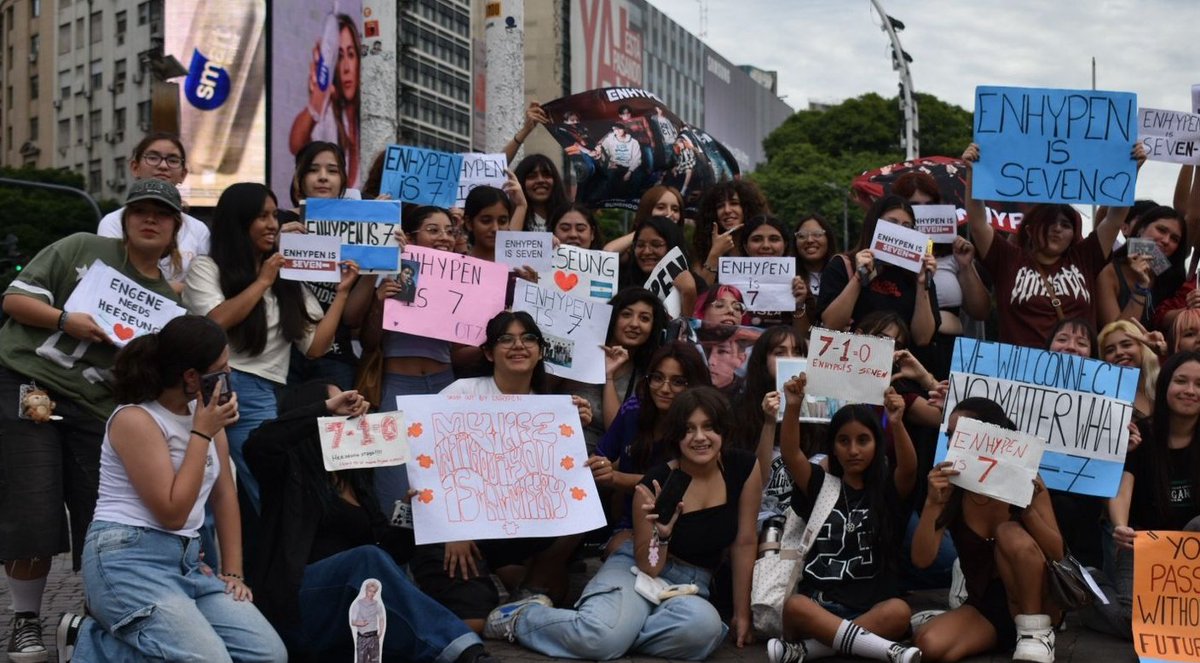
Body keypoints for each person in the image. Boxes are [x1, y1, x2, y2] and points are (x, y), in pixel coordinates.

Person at [1, 178, 183, 661]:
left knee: (101, 517)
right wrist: (64, 319)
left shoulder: (169, 305)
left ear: (175, 229)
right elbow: (12, 301)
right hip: (28, 382)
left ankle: (95, 617)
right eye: (140, 210)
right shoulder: (82, 248)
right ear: (124, 219)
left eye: (161, 214)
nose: (150, 219)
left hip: (98, 411)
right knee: (32, 508)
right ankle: (25, 619)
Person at [60, 315, 287, 662]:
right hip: (126, 556)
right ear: (192, 377)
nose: (229, 378)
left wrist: (233, 572)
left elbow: (225, 494)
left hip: (185, 561)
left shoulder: (206, 415)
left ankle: (115, 640)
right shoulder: (135, 419)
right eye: (221, 371)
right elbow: (172, 512)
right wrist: (201, 433)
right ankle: (91, 643)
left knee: (267, 654)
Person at [486, 387, 762, 660]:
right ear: (677, 436)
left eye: (709, 427)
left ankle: (616, 633)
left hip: (690, 586)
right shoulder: (656, 482)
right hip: (638, 571)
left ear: (723, 431)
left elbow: (745, 541)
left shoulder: (743, 467)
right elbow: (649, 565)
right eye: (689, 430)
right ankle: (522, 618)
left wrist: (742, 614)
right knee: (600, 637)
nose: (700, 438)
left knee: (705, 631)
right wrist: (661, 536)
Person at [244, 380, 499, 663]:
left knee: (373, 566)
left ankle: (454, 649)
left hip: (352, 611)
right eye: (341, 405)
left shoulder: (355, 478)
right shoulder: (286, 470)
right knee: (365, 559)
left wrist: (407, 512)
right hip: (299, 602)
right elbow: (258, 442)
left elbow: (391, 554)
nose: (351, 410)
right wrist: (324, 407)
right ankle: (464, 651)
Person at [182, 182, 358, 519]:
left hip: (270, 390)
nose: (272, 224)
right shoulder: (209, 268)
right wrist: (262, 281)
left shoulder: (285, 274)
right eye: (262, 216)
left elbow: (315, 347)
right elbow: (213, 325)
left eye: (274, 215)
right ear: (238, 222)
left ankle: (264, 564)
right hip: (230, 385)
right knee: (266, 490)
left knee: (266, 490)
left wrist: (343, 293)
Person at [407, 312, 593, 630]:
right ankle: (511, 591)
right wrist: (453, 531)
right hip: (462, 526)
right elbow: (425, 462)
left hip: (520, 529)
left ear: (541, 350)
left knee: (591, 492)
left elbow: (562, 484)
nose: (518, 345)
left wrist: (576, 431)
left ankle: (525, 589)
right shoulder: (461, 393)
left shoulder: (551, 409)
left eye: (528, 338)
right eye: (506, 339)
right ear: (489, 353)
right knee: (474, 623)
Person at [767, 376, 920, 663]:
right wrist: (792, 406)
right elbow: (791, 453)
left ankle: (811, 651)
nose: (853, 450)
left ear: (877, 442)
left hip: (872, 610)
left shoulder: (886, 491)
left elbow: (910, 470)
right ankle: (883, 649)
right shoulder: (820, 484)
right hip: (819, 607)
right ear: (833, 446)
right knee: (795, 606)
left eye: (863, 440)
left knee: (899, 611)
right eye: (843, 441)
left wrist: (897, 423)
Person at [912, 398, 1067, 663]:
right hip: (984, 608)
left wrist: (1027, 510)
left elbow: (1057, 553)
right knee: (929, 646)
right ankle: (958, 622)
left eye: (961, 436)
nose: (951, 444)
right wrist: (932, 503)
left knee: (1008, 531)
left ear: (990, 437)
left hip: (1039, 604)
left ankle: (1035, 633)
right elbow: (922, 559)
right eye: (950, 436)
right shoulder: (951, 488)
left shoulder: (1027, 479)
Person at [962, 142, 1141, 348]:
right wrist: (972, 172)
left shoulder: (1085, 258)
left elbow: (1114, 218)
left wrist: (1131, 170)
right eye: (1048, 223)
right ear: (1029, 230)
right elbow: (977, 222)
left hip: (1075, 371)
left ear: (1074, 233)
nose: (1057, 229)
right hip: (1018, 373)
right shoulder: (1008, 259)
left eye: (1065, 225)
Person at [1084, 351, 1200, 641]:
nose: (1190, 390)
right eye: (1181, 381)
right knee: (1138, 622)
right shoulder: (1141, 435)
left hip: (1192, 555)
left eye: (1199, 384)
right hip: (1143, 547)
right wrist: (1121, 525)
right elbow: (1123, 485)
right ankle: (1089, 586)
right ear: (1164, 388)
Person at [361, 205, 459, 518]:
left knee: (446, 473)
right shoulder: (391, 272)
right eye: (433, 230)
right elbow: (369, 342)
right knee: (395, 481)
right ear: (411, 235)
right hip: (396, 388)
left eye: (448, 230)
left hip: (444, 384)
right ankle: (398, 558)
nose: (443, 237)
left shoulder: (462, 276)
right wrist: (379, 302)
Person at [591, 341, 713, 556]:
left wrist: (615, 478)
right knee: (616, 550)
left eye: (678, 382)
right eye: (657, 378)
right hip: (632, 524)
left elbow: (672, 486)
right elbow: (601, 455)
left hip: (686, 526)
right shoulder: (633, 409)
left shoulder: (702, 427)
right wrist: (598, 465)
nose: (664, 389)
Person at [282, 141, 376, 391]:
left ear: (343, 179)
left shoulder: (361, 230)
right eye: (314, 170)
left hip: (335, 357)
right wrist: (277, 245)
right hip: (283, 354)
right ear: (299, 177)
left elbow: (351, 318)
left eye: (332, 171)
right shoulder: (280, 223)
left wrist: (378, 258)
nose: (323, 178)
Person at [817, 195, 940, 348]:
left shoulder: (918, 274)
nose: (899, 231)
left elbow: (923, 338)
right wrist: (858, 277)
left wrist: (923, 284)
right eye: (892, 223)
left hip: (900, 366)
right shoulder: (843, 265)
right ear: (874, 224)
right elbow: (831, 325)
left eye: (906, 226)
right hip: (851, 363)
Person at [96, 133, 211, 292]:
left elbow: (204, 287)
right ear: (135, 167)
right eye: (153, 157)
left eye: (172, 160)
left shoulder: (198, 229)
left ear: (183, 174)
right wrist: (180, 289)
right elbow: (114, 280)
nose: (163, 166)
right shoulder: (113, 222)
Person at [290, 13, 362, 187]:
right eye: (339, 57)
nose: (346, 67)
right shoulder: (327, 114)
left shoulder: (369, 120)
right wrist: (316, 103)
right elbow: (297, 143)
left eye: (351, 55)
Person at [1097, 206, 1187, 328]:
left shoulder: (1173, 279)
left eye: (1174, 239)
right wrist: (1141, 286)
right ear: (1141, 228)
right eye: (1161, 230)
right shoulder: (1109, 272)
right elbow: (1117, 334)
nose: (1166, 240)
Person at [692, 180, 770, 285]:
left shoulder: (765, 244)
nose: (727, 210)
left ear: (747, 208)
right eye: (720, 206)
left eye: (734, 203)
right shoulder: (703, 249)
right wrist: (715, 254)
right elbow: (700, 294)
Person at [619, 216, 697, 318]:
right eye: (640, 245)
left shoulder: (695, 283)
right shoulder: (622, 284)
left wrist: (688, 294)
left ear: (672, 246)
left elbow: (693, 330)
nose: (646, 251)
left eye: (656, 245)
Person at [1098, 320, 1162, 421]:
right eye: (1110, 350)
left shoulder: (1164, 382)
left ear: (1143, 347)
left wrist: (1164, 351)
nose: (1118, 352)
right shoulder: (1102, 399)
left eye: (1126, 345)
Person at [603, 185, 685, 255]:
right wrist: (642, 231)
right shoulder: (631, 249)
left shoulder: (686, 249)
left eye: (675, 209)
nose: (669, 213)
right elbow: (608, 253)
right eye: (661, 208)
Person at [464, 182, 527, 262]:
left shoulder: (518, 268)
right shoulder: (455, 267)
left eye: (502, 221)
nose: (495, 228)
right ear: (468, 223)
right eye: (486, 221)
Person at [512, 154, 569, 233]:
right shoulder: (510, 215)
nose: (540, 180)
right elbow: (508, 242)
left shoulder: (570, 214)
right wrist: (521, 206)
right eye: (532, 176)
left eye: (546, 175)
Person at [351, 580, 384, 663]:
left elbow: (381, 618)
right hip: (362, 638)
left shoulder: (377, 604)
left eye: (374, 592)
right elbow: (352, 621)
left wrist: (381, 632)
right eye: (370, 591)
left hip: (373, 636)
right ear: (366, 590)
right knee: (361, 660)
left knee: (375, 660)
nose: (372, 593)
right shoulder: (358, 604)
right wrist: (359, 623)